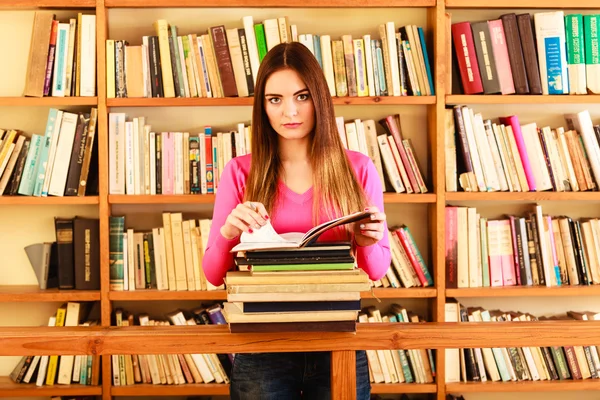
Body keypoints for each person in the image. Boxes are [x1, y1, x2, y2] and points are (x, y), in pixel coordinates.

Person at [202, 41, 391, 400]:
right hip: (262, 346)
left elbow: (378, 270)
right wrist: (229, 230)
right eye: (275, 99)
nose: (289, 111)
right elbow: (213, 274)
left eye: (301, 96)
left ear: (318, 97)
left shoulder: (358, 168)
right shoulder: (240, 171)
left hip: (338, 340)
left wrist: (367, 242)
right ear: (263, 106)